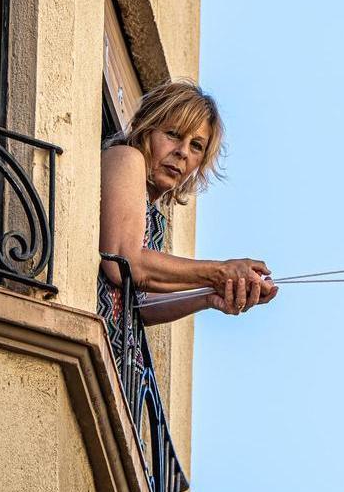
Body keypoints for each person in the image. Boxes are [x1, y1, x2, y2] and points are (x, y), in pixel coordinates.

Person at [97, 80, 277, 389]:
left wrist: (209, 295)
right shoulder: (127, 158)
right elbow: (123, 263)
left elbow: (141, 302)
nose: (182, 153)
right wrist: (218, 271)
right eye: (173, 134)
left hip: (115, 375)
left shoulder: (155, 217)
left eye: (196, 146)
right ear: (145, 128)